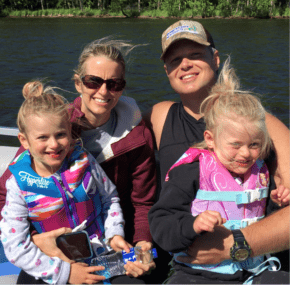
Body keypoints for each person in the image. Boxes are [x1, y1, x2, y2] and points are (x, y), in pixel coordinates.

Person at [0, 38, 157, 282]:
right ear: (78, 83)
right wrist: (36, 240)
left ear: (122, 87)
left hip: (109, 244)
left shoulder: (136, 135)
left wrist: (140, 245)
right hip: (51, 254)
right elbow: (5, 201)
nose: (103, 91)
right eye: (93, 81)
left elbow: (140, 202)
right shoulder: (52, 123)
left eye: (114, 83)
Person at [143, 20, 289, 272]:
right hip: (187, 263)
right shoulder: (159, 116)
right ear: (167, 70)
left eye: (196, 54)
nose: (185, 64)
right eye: (175, 59)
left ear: (216, 58)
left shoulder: (258, 123)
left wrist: (232, 246)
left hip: (251, 262)